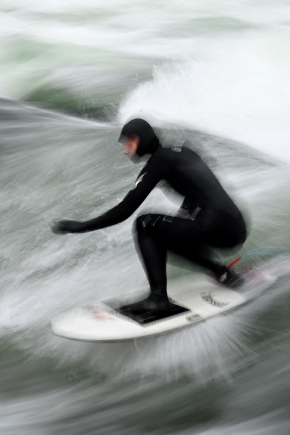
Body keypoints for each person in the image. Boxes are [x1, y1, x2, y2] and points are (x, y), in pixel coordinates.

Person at [52, 119, 247, 314]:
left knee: (145, 224)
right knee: (168, 233)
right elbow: (201, 189)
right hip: (235, 226)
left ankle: (158, 299)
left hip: (215, 225)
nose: (125, 151)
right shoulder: (182, 152)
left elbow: (125, 210)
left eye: (128, 143)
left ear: (138, 139)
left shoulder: (159, 162)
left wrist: (81, 226)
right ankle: (223, 273)